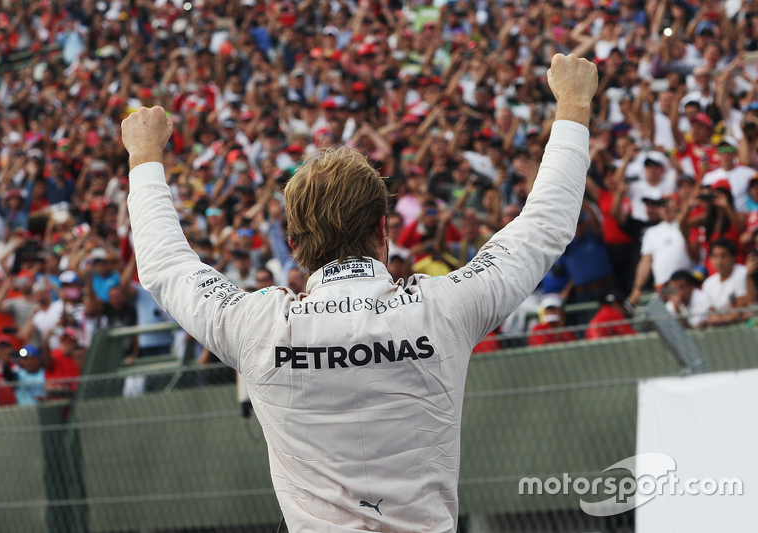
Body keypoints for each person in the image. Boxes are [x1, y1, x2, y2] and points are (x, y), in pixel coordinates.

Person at [121, 54, 598, 533]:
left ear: (293, 246)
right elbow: (543, 226)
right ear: (383, 229)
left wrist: (144, 157)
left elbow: (166, 265)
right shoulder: (445, 307)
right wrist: (574, 105)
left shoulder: (255, 326)